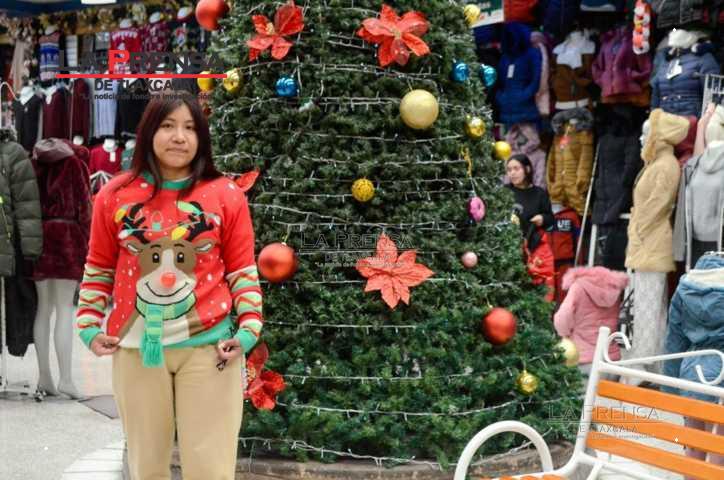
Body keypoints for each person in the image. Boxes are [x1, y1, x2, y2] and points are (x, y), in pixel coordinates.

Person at [75, 91, 263, 480]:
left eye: (190, 128)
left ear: (201, 138)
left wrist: (248, 329)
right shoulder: (114, 195)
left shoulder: (226, 195)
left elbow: (242, 271)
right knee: (146, 465)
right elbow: (99, 267)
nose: (179, 137)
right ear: (148, 132)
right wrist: (89, 324)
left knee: (210, 468)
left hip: (211, 349)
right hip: (137, 350)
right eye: (168, 126)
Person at [506, 153, 555, 300]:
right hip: (509, 248)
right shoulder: (504, 192)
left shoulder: (539, 193)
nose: (512, 173)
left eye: (516, 169)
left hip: (534, 247)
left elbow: (550, 218)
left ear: (527, 169)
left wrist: (542, 218)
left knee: (538, 287)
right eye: (509, 170)